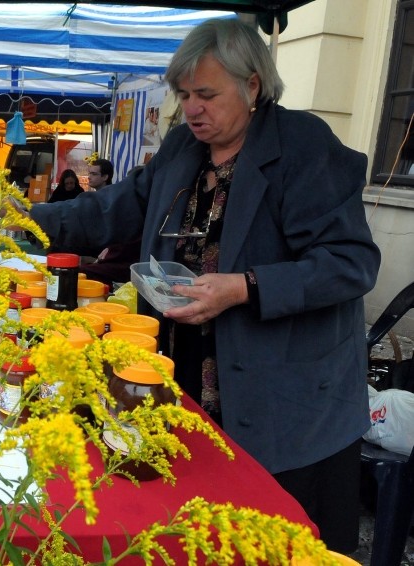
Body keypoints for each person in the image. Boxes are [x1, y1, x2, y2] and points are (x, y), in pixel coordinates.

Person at [25, 19, 380, 553]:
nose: (192, 108)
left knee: (276, 540)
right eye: (184, 94)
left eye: (207, 94)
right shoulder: (182, 150)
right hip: (188, 373)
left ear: (253, 84)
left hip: (286, 400)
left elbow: (350, 263)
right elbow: (113, 209)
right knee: (196, 532)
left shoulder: (303, 147)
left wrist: (244, 287)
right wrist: (28, 218)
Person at [79, 159, 141, 286]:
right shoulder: (103, 197)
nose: (89, 177)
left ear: (105, 177)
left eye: (94, 174)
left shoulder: (118, 202)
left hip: (123, 260)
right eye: (89, 173)